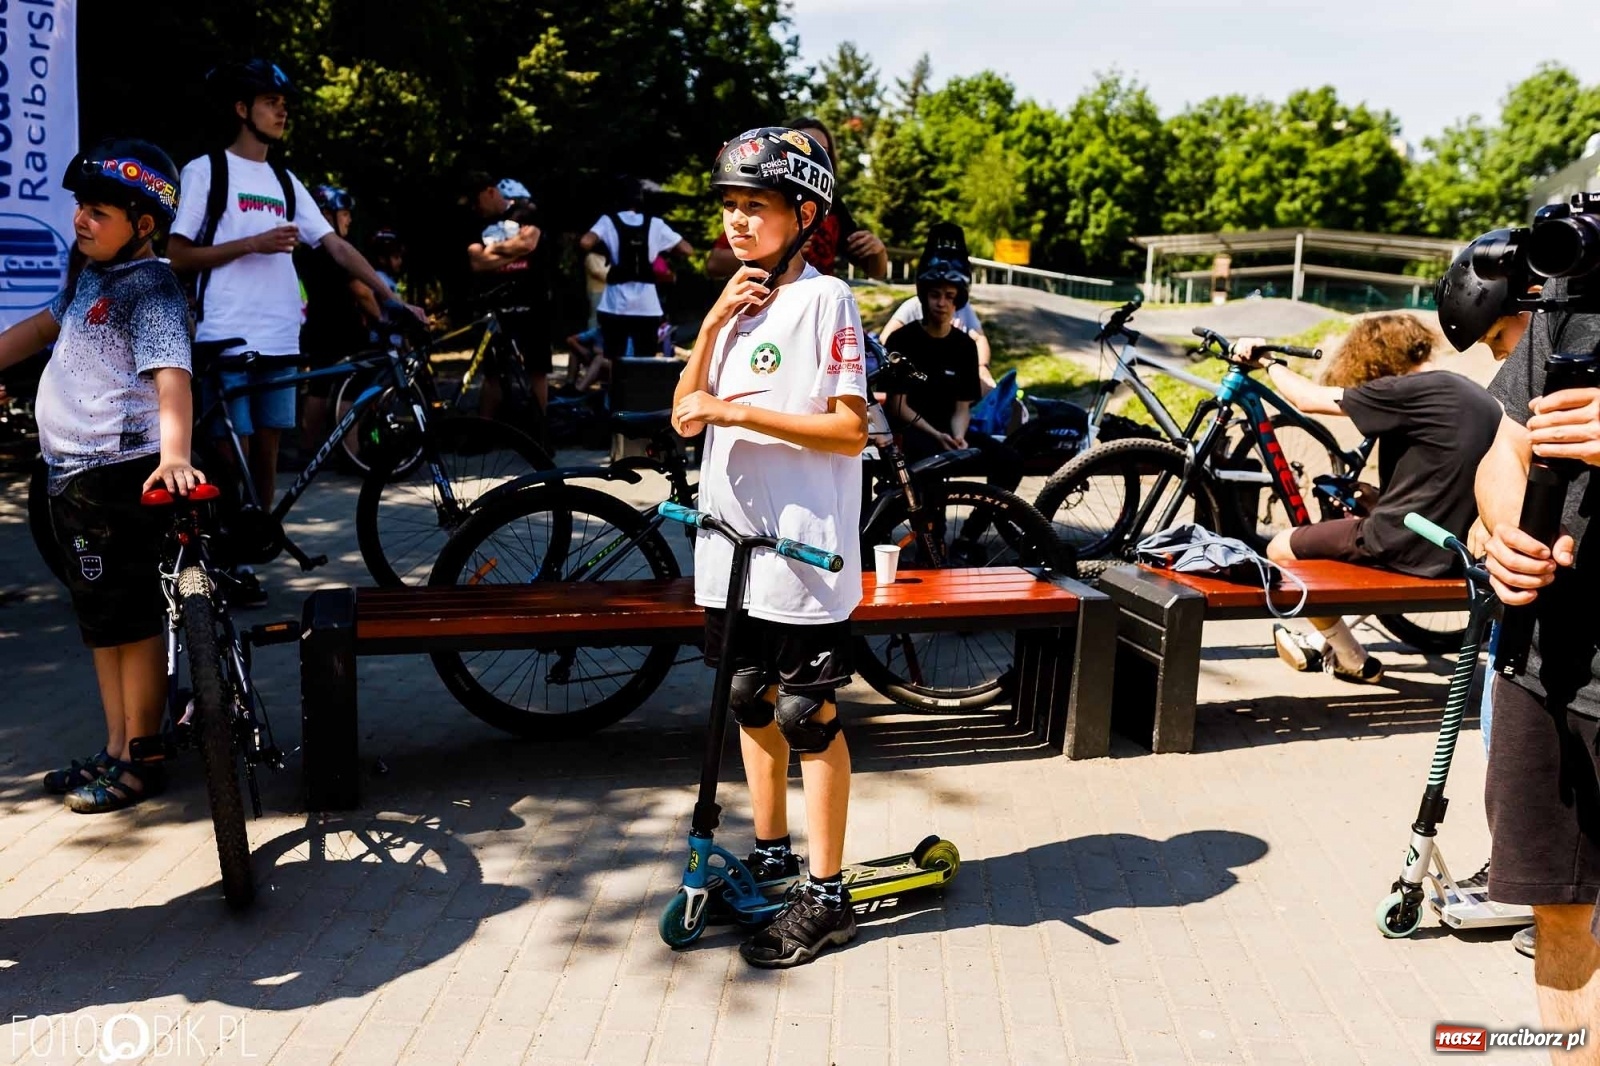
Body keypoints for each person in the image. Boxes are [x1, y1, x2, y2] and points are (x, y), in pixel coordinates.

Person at [671, 127, 869, 968]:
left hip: (802, 553)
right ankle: (774, 855)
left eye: (757, 205)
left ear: (805, 214)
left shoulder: (828, 300)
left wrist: (738, 411)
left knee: (805, 717)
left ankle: (827, 897)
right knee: (750, 697)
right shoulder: (734, 302)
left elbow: (850, 430)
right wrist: (711, 324)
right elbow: (685, 413)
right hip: (731, 550)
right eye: (730, 205)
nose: (738, 221)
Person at [168, 60, 415, 605]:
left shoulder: (285, 180)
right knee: (229, 451)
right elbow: (178, 254)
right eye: (271, 102)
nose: (282, 112)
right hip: (225, 333)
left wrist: (391, 298)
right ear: (242, 109)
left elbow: (336, 245)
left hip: (280, 334)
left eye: (284, 104)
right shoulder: (207, 171)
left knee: (269, 448)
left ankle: (251, 544)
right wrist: (251, 245)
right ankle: (223, 554)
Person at [0, 139, 200, 811]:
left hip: (119, 478)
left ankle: (139, 758)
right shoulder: (94, 279)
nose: (80, 220)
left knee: (133, 622)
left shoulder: (151, 287)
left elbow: (173, 378)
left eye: (98, 212)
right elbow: (39, 330)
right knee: (102, 622)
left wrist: (174, 455)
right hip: (73, 480)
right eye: (81, 207)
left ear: (142, 225)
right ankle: (116, 747)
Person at [1238, 314, 1500, 682]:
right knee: (1358, 525)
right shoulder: (1468, 392)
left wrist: (1267, 362)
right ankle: (1321, 641)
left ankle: (1351, 657)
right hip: (1456, 552)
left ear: (1374, 358)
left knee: (1280, 548)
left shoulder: (1406, 389)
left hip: (1404, 546)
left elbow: (1307, 400)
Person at [1475, 279, 1600, 1044]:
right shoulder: (1578, 279)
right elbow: (1507, 443)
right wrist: (1505, 529)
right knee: (1558, 909)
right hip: (1548, 663)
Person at [706, 117, 888, 282]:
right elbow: (714, 264)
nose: (813, 155)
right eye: (804, 146)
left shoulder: (834, 208)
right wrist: (774, 251)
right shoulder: (762, 206)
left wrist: (878, 251)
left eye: (822, 151)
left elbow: (875, 272)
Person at [464, 175, 555, 417]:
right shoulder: (476, 222)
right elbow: (477, 262)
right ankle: (484, 429)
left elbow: (528, 244)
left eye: (477, 200)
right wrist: (514, 252)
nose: (476, 206)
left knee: (537, 370)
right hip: (494, 308)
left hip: (532, 304)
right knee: (492, 374)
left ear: (490, 192)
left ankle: (540, 428)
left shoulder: (527, 212)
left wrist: (493, 249)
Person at [579, 178, 693, 368]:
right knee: (645, 359)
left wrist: (606, 249)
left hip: (615, 302)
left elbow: (585, 242)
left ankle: (615, 387)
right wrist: (662, 249)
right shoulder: (655, 224)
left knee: (613, 358)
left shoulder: (608, 221)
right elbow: (687, 249)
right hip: (647, 304)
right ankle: (640, 387)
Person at [294, 184, 369, 455]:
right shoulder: (337, 249)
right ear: (326, 215)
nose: (349, 219)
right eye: (344, 213)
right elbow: (361, 290)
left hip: (317, 327)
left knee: (319, 388)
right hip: (344, 328)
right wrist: (382, 316)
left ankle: (308, 450)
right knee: (351, 391)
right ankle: (352, 453)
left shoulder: (305, 250)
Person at [881, 287, 995, 394]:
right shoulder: (913, 306)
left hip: (956, 375)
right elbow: (886, 336)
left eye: (949, 296)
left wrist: (982, 367)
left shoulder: (964, 308)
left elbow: (979, 338)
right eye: (935, 295)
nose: (941, 303)